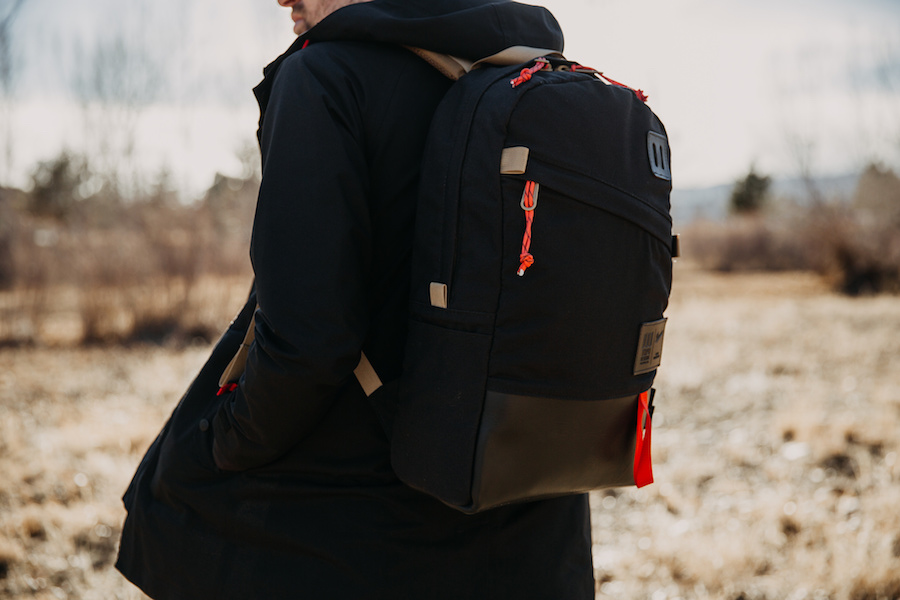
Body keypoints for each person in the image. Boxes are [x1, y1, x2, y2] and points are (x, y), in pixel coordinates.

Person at [116, 1, 594, 597]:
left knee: (174, 508)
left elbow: (307, 341)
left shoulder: (326, 76)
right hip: (535, 519)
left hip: (369, 524)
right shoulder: (539, 76)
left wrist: (222, 441)